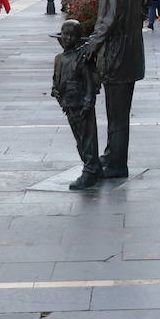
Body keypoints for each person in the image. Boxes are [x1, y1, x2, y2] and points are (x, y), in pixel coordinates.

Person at [80, 0, 144, 179]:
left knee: (116, 115)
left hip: (117, 56)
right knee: (118, 113)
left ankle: (117, 164)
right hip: (129, 54)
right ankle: (111, 153)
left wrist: (91, 45)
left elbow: (107, 19)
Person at [51, 19, 101, 191]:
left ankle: (90, 170)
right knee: (80, 140)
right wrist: (56, 91)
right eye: (65, 34)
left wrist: (88, 102)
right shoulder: (59, 59)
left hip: (82, 105)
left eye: (72, 35)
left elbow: (89, 82)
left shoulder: (82, 59)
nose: (68, 38)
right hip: (69, 105)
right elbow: (56, 79)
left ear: (78, 38)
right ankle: (93, 166)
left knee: (87, 139)